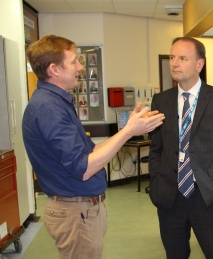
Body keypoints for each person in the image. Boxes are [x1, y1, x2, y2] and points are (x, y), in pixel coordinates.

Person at [22, 35, 165, 259]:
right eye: (73, 61)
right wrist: (128, 131)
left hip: (79, 210)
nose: (80, 67)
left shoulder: (56, 103)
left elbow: (90, 152)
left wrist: (127, 129)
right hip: (74, 211)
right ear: (54, 70)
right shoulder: (48, 107)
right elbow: (84, 168)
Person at [148, 37, 213, 259]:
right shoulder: (161, 100)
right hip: (170, 197)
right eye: (172, 57)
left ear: (199, 64)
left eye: (182, 58)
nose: (174, 63)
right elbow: (156, 149)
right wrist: (156, 184)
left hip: (208, 197)